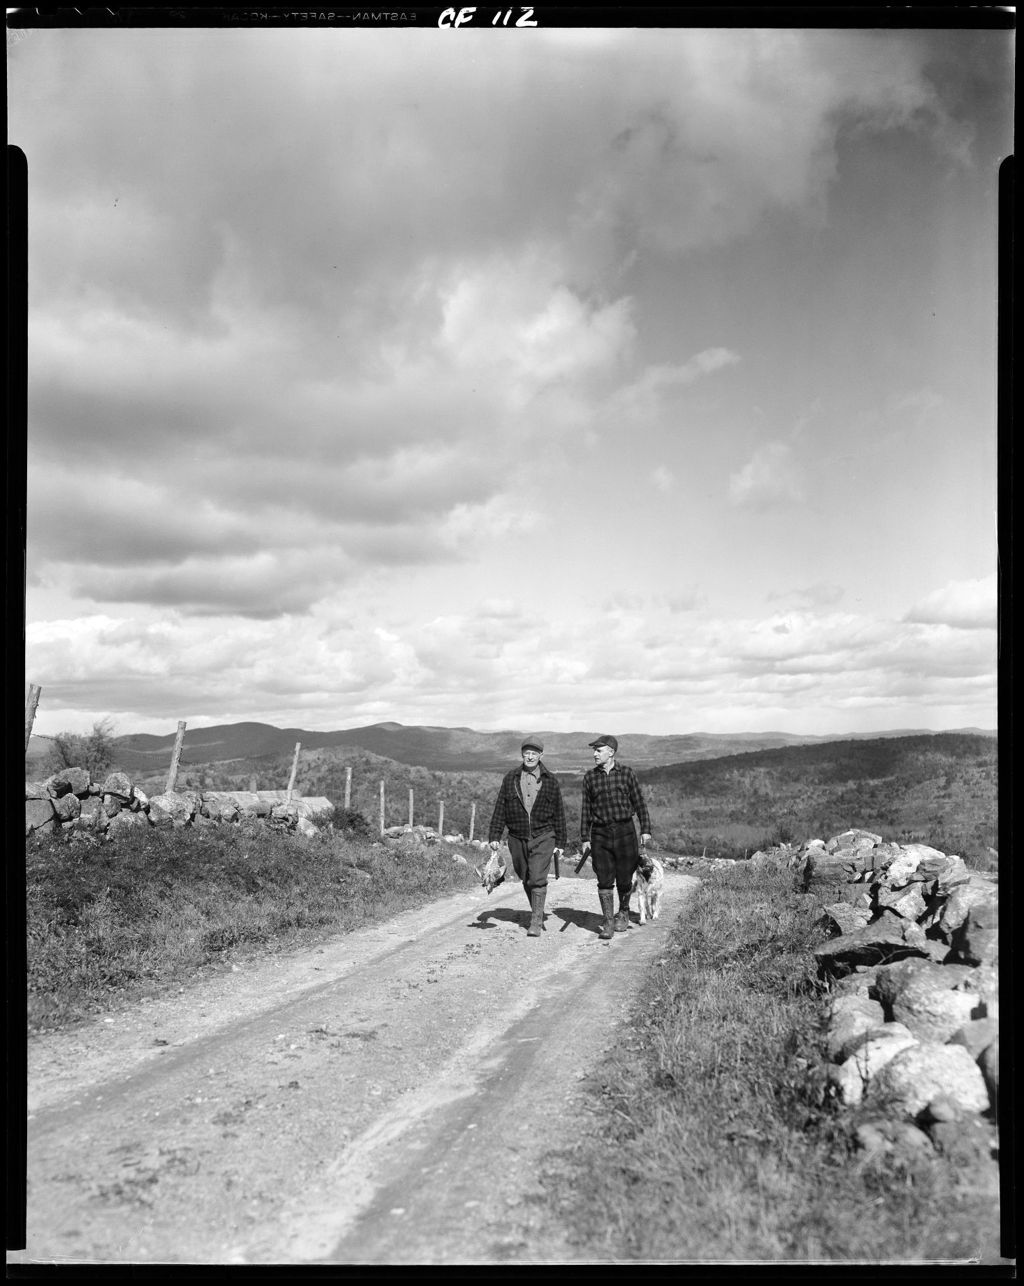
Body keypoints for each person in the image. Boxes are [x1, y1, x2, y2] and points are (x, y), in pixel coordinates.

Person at [488, 736, 566, 937]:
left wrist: (561, 841)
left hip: (543, 835)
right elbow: (500, 808)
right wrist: (495, 835)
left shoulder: (551, 781)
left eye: (534, 753)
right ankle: (536, 910)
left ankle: (536, 921)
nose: (530, 757)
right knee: (526, 877)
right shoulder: (511, 778)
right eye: (526, 753)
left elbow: (559, 812)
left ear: (541, 755)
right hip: (517, 837)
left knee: (538, 878)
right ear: (522, 754)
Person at [580, 734, 653, 940]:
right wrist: (585, 837)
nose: (594, 754)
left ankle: (623, 911)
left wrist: (645, 829)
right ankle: (608, 921)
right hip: (600, 833)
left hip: (625, 831)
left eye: (599, 750)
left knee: (623, 877)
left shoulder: (627, 774)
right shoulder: (590, 777)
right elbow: (586, 809)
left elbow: (639, 803)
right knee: (604, 878)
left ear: (611, 752)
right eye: (594, 750)